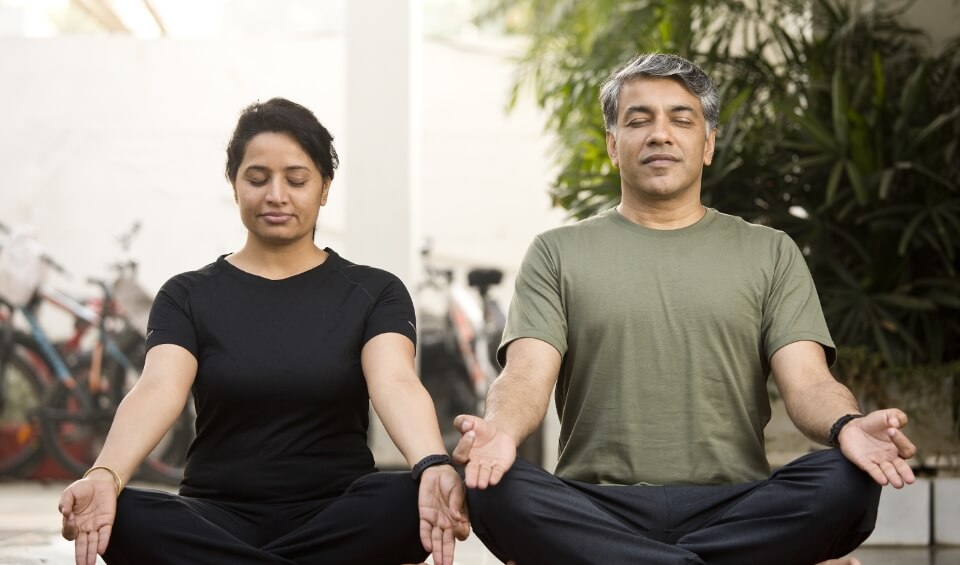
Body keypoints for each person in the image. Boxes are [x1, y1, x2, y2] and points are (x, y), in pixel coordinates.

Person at [452, 53, 917, 565]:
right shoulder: (556, 251)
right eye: (638, 120)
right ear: (613, 144)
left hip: (734, 504)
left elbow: (808, 383)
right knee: (492, 481)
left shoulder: (769, 251)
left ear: (708, 143)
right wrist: (497, 433)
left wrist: (848, 425)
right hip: (597, 504)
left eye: (680, 119)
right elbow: (524, 379)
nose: (659, 134)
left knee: (847, 478)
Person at [58, 97, 469, 565]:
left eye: (296, 180)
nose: (276, 195)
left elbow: (395, 381)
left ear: (325, 188)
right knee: (124, 512)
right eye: (257, 178)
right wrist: (104, 475)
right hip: (215, 515)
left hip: (336, 514)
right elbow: (157, 388)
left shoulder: (375, 292)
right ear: (234, 185)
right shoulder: (187, 295)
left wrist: (434, 463)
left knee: (409, 499)